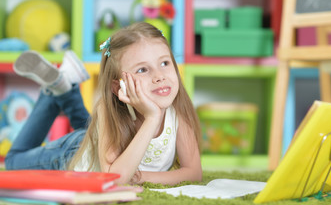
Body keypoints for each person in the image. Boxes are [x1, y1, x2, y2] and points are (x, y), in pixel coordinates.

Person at [5, 22, 203, 185]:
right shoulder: (108, 112)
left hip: (101, 140)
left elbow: (193, 173)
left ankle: (65, 89)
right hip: (72, 153)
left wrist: (143, 177)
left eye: (164, 63)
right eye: (143, 70)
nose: (159, 76)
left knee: (95, 128)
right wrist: (152, 117)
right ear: (118, 88)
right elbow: (114, 179)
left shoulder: (177, 111)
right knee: (13, 161)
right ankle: (55, 91)